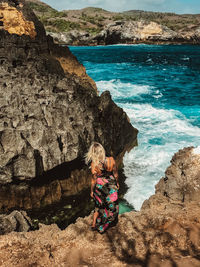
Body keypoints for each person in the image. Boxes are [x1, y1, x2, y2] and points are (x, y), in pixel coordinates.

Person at [85, 142, 119, 233]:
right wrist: (117, 183)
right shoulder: (111, 160)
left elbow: (93, 180)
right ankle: (105, 224)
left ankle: (94, 224)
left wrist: (92, 191)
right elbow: (115, 174)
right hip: (110, 185)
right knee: (112, 207)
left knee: (98, 205)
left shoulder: (94, 164)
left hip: (99, 186)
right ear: (102, 150)